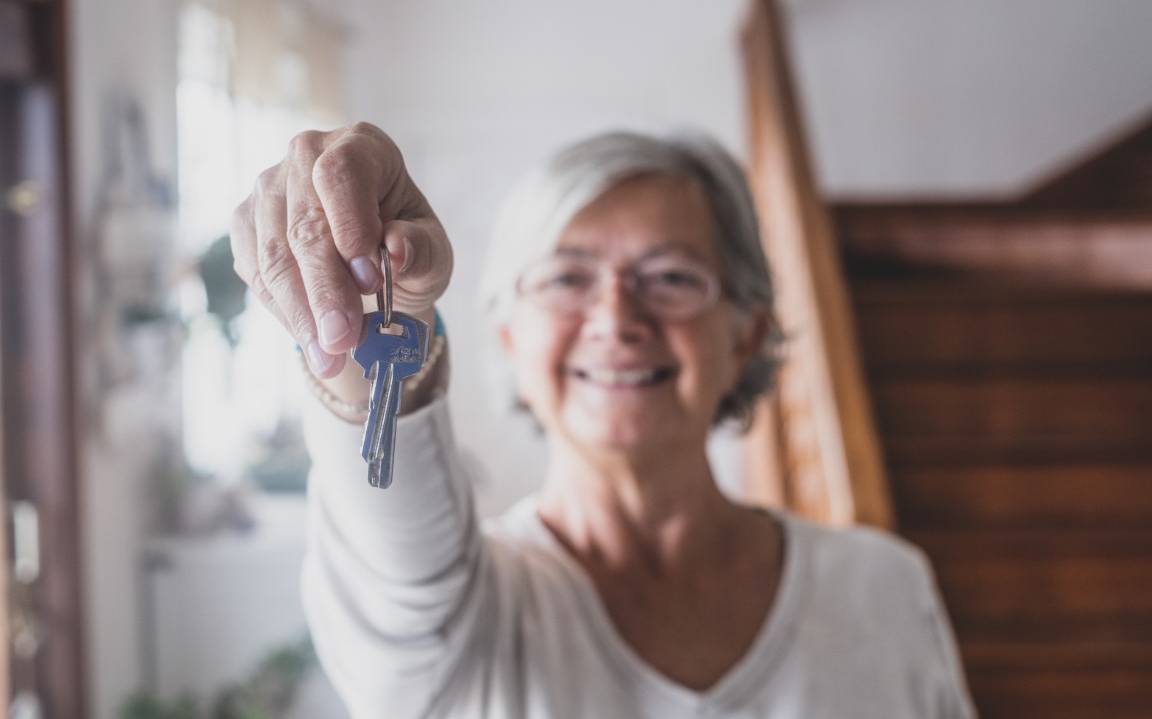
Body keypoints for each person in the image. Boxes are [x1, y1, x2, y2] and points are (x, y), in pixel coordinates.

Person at [230, 123, 976, 718]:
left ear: (743, 333)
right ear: (510, 335)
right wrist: (384, 312)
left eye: (671, 278)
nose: (616, 318)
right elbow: (394, 553)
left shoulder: (885, 588)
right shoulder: (458, 621)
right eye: (566, 278)